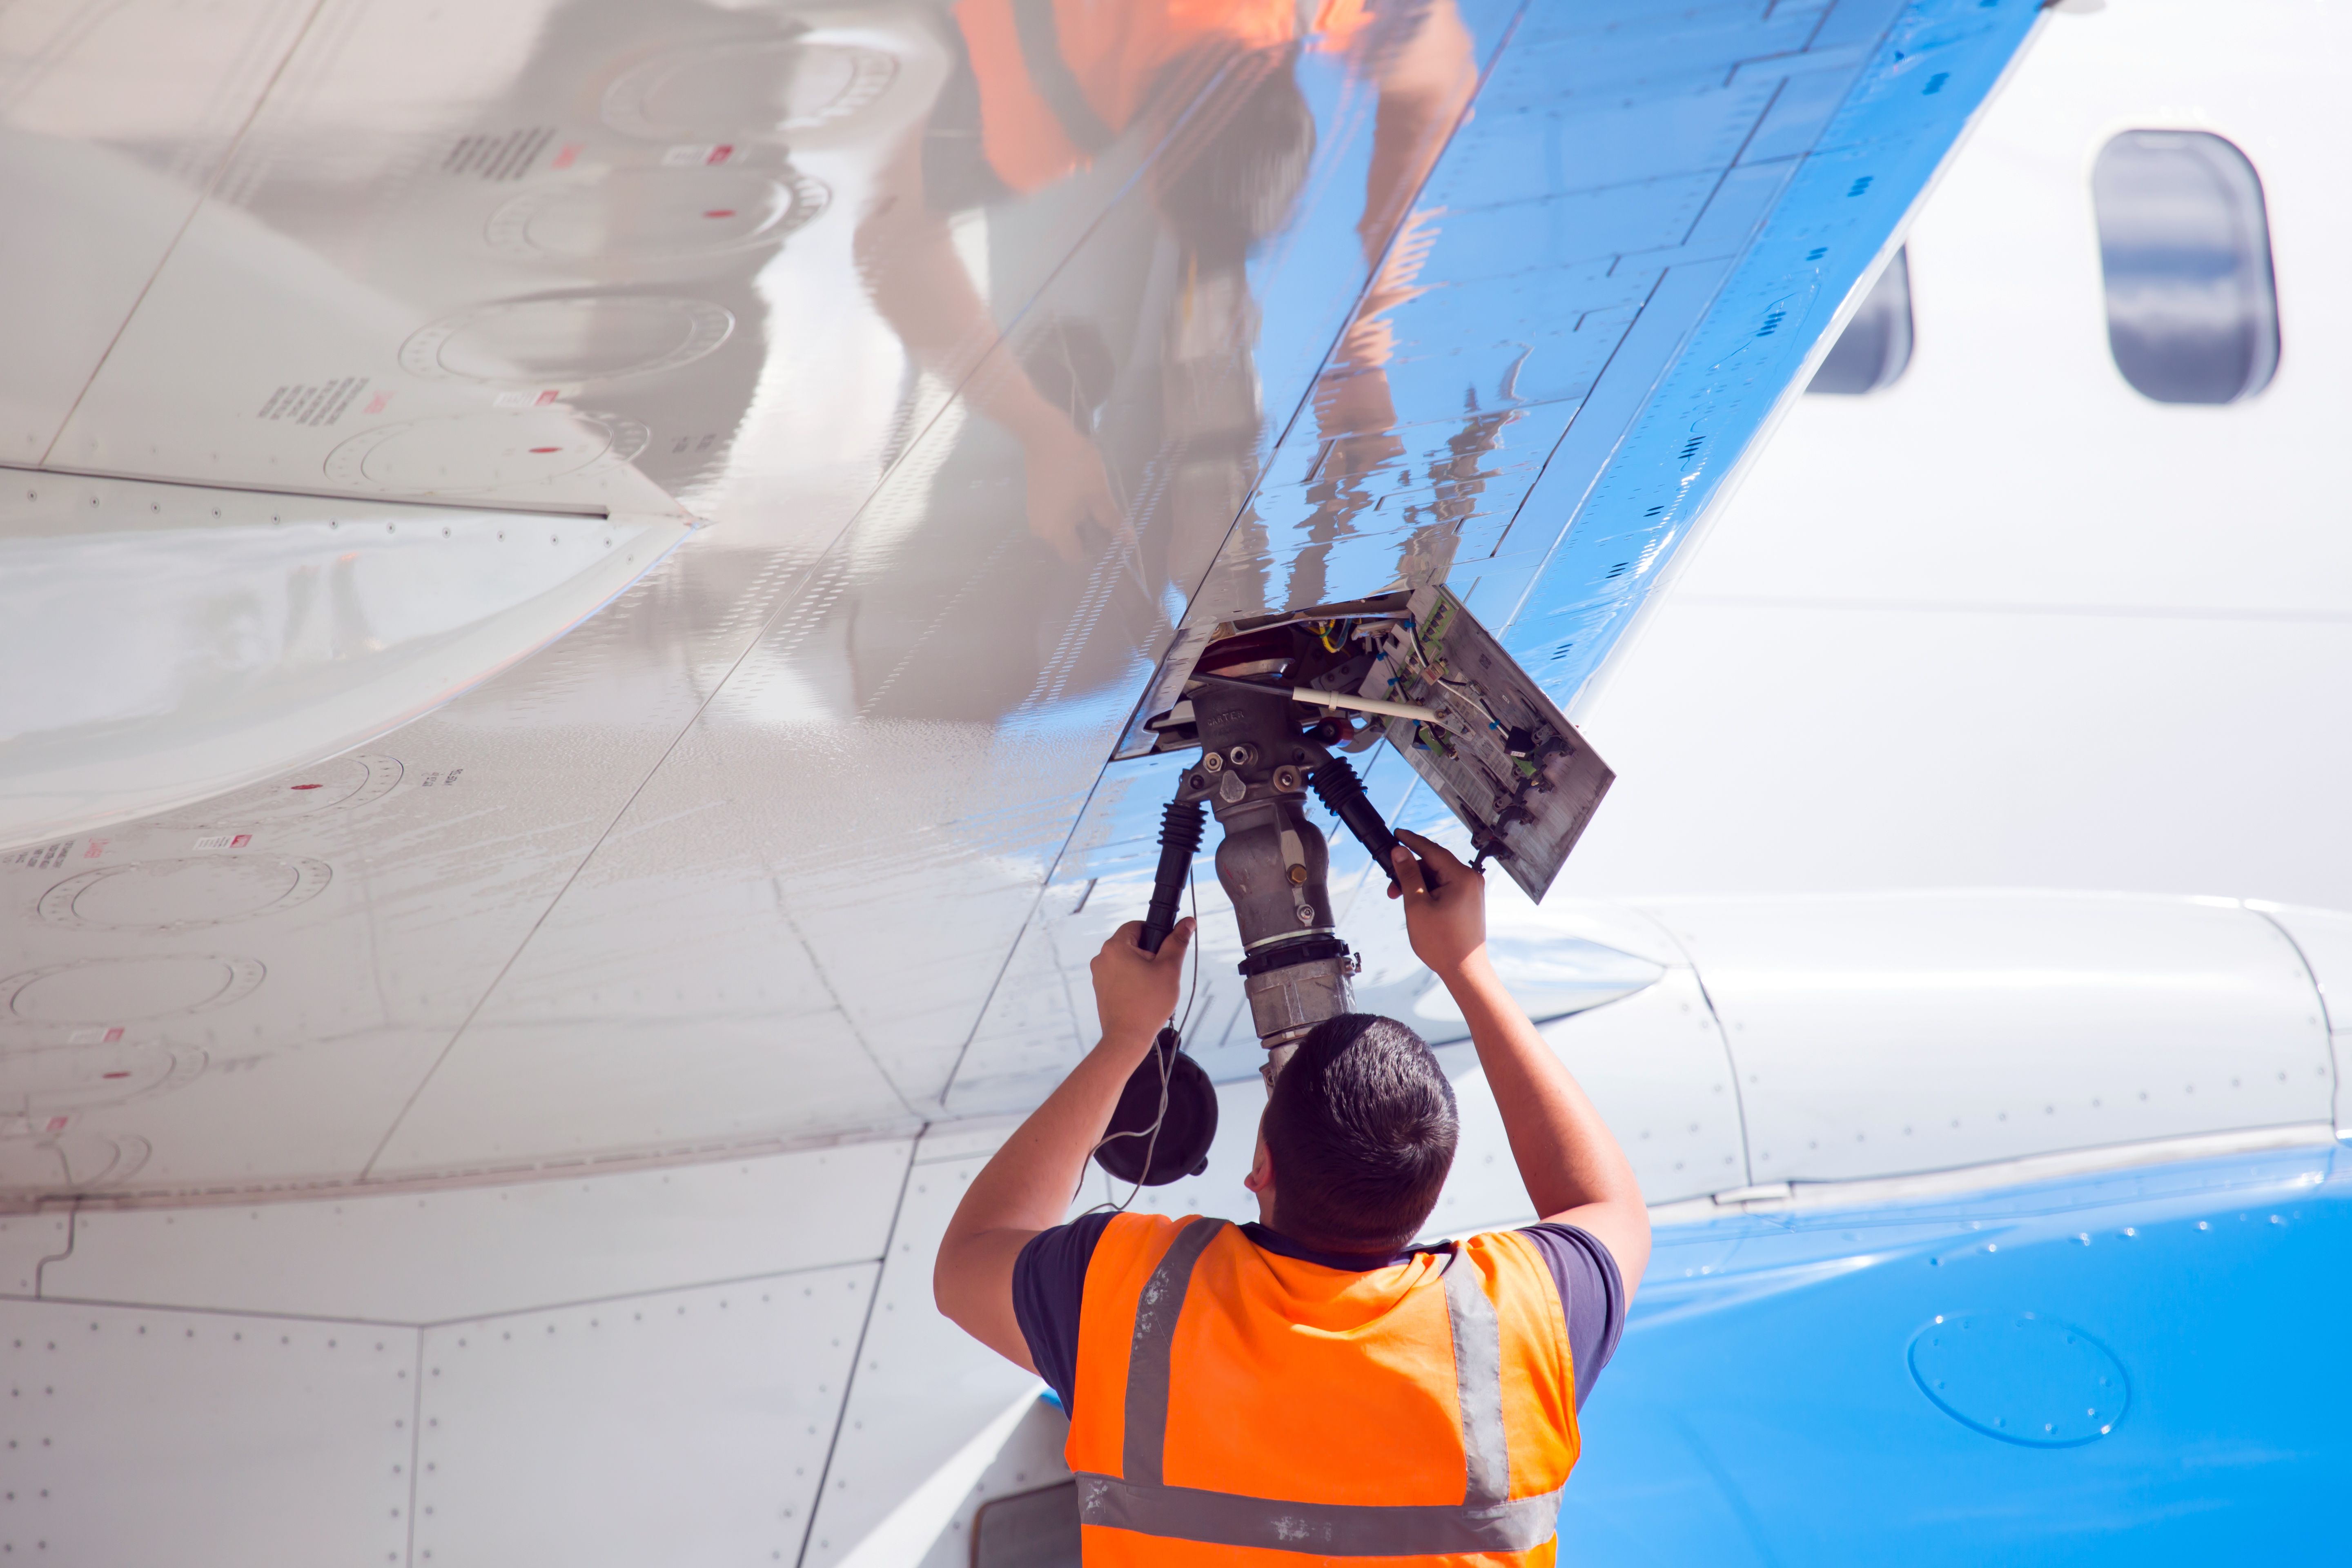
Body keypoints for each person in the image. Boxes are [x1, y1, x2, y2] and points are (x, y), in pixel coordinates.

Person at [935, 830, 1652, 1564]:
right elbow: (1607, 1207)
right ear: (1428, 1196)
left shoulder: (1133, 1298)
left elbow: (969, 1258)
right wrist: (1472, 972)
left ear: (1260, 1167)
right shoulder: (1518, 1329)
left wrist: (1126, 1036)